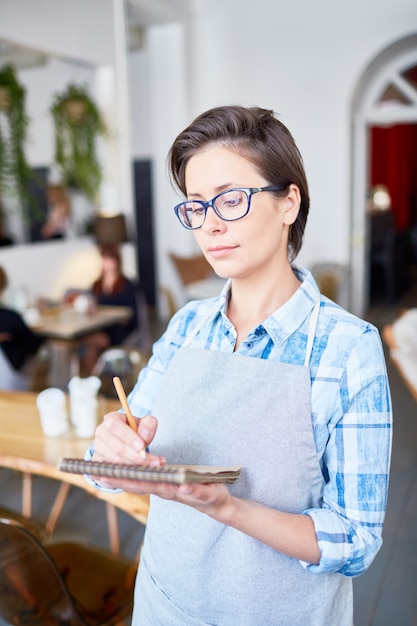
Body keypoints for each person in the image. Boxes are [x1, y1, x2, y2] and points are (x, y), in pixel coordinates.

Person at [88, 105, 392, 625]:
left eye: (231, 200)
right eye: (196, 206)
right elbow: (111, 468)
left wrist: (228, 508)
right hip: (164, 605)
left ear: (288, 202)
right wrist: (112, 444)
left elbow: (356, 541)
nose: (210, 226)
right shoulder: (187, 326)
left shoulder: (347, 349)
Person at [78, 244, 138, 376]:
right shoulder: (97, 284)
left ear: (117, 261)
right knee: (84, 343)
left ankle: (93, 379)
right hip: (100, 326)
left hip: (118, 329)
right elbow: (91, 303)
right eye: (104, 259)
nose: (107, 263)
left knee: (89, 344)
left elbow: (131, 315)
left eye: (110, 259)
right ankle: (91, 377)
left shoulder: (126, 285)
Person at [0, 266, 45, 381]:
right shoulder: (9, 317)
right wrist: (45, 334)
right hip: (15, 376)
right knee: (55, 350)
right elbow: (32, 345)